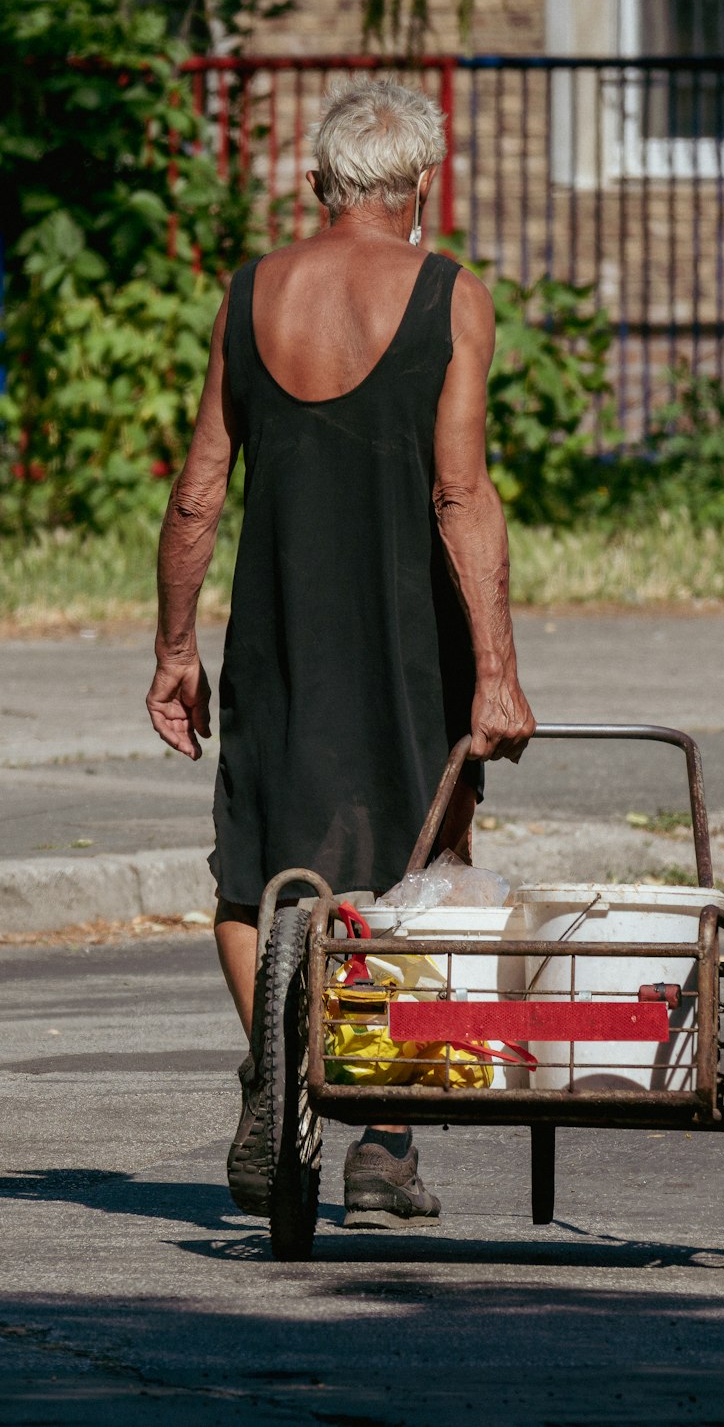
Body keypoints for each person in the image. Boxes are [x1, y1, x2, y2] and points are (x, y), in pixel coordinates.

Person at [146, 79, 535, 1229]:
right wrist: (498, 670)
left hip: (275, 635)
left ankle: (277, 1066)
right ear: (424, 188)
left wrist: (176, 648)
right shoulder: (450, 295)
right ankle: (381, 1143)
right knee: (427, 871)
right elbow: (460, 492)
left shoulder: (249, 292)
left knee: (246, 869)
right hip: (414, 637)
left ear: (317, 185)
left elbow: (197, 491)